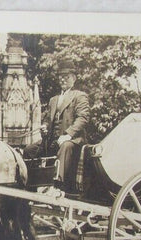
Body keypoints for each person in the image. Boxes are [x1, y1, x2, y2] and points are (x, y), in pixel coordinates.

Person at [24, 60, 90, 195]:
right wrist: (45, 127)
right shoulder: (53, 100)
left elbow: (83, 118)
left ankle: (58, 186)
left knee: (65, 146)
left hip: (73, 141)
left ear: (74, 78)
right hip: (52, 141)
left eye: (67, 76)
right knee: (29, 150)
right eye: (61, 76)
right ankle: (29, 183)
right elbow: (48, 120)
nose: (63, 79)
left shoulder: (79, 96)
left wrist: (68, 135)